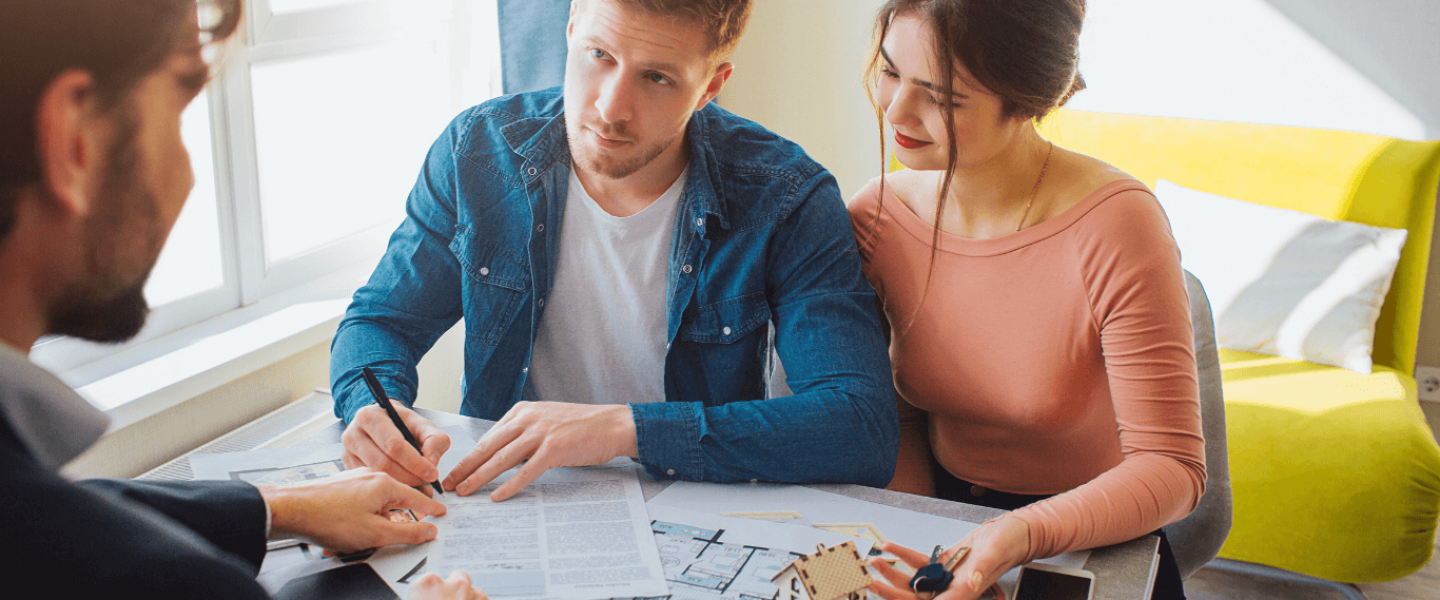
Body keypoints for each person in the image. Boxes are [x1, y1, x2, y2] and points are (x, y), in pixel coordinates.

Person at [0, 1, 482, 598]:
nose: (188, 177)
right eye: (178, 116)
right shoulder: (168, 582)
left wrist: (275, 507)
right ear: (74, 141)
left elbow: (50, 510)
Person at [330, 0, 897, 502]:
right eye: (598, 54)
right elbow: (381, 321)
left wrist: (625, 430)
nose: (611, 107)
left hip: (697, 505)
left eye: (657, 78)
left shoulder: (786, 194)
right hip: (511, 499)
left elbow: (860, 425)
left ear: (710, 86)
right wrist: (373, 408)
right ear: (571, 24)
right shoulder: (476, 152)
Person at [848, 2, 1206, 600]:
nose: (896, 110)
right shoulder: (878, 219)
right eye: (889, 72)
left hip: (1092, 534)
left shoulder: (1118, 223)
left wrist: (1018, 535)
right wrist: (925, 536)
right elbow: (900, 416)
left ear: (1027, 101)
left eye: (942, 98)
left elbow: (1174, 469)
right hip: (948, 526)